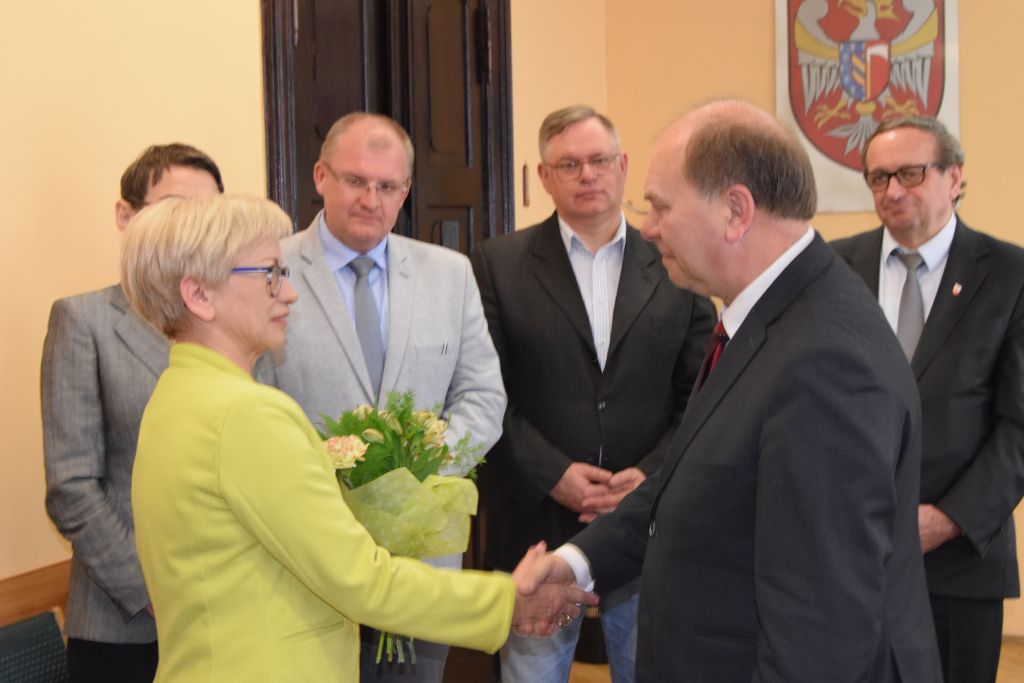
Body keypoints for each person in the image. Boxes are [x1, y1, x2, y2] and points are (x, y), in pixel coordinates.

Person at [518, 99, 944, 681]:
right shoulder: (769, 316)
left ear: (735, 211)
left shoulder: (825, 362)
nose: (648, 227)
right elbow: (697, 478)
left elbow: (819, 630)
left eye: (661, 206)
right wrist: (579, 561)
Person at [120, 194, 595, 682]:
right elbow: (361, 579)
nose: (290, 293)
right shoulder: (245, 414)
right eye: (269, 274)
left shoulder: (177, 394)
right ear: (199, 295)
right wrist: (506, 601)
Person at [470, 105, 714, 683]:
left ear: (623, 165)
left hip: (649, 520)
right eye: (569, 164)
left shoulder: (678, 257)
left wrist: (649, 475)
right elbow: (486, 391)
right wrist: (553, 473)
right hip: (535, 521)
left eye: (599, 160)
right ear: (543, 176)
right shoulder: (497, 264)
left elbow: (703, 393)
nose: (588, 175)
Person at [269, 111, 506, 681]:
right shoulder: (270, 270)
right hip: (308, 564)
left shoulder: (450, 273)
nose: (370, 199)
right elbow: (253, 400)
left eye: (388, 186)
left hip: (423, 563)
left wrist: (416, 478)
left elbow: (483, 396)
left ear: (406, 190)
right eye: (355, 180)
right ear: (321, 176)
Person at [831, 116, 1024, 683]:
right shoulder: (833, 269)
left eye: (910, 174)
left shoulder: (1010, 274)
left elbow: (1019, 427)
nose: (892, 191)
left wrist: (948, 520)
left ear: (954, 177)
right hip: (847, 555)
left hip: (959, 563)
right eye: (879, 177)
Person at [41, 143, 223, 682]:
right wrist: (155, 593)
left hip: (227, 615)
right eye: (174, 209)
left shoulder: (231, 320)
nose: (192, 229)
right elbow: (72, 488)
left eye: (208, 213)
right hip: (125, 627)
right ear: (126, 216)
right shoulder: (84, 321)